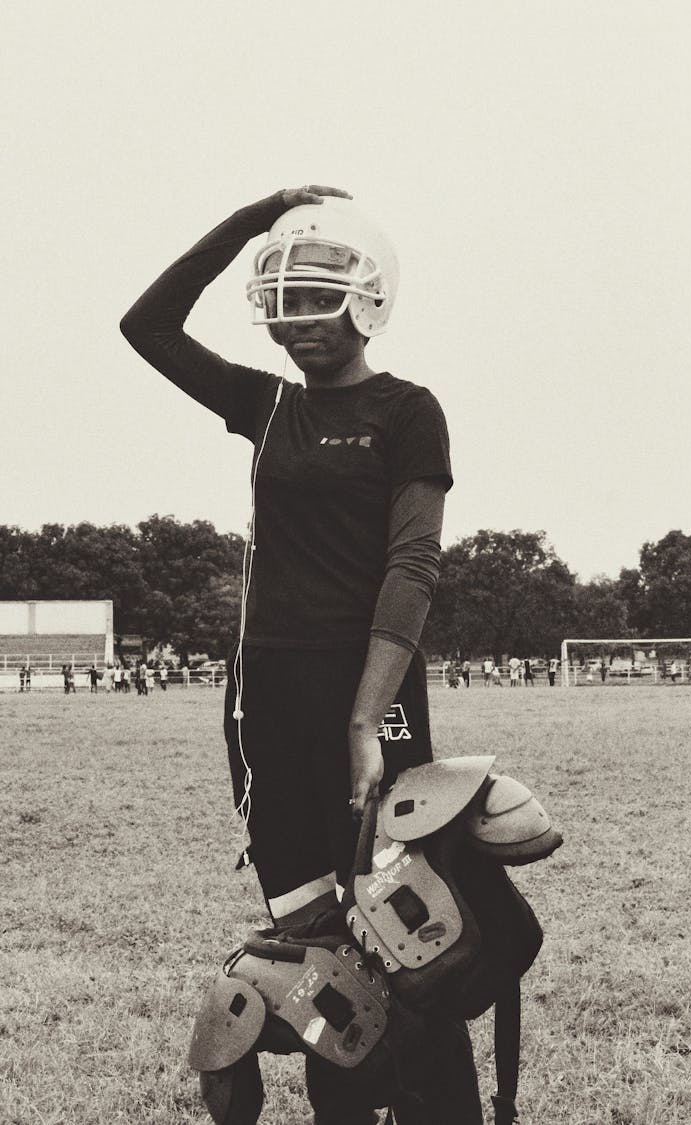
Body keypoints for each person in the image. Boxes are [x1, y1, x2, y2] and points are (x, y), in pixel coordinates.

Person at [121, 185, 482, 1124]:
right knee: (315, 947)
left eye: (321, 298)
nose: (300, 321)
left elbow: (415, 562)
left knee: (411, 936)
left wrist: (367, 715)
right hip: (266, 700)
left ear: (367, 300)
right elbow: (146, 323)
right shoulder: (266, 404)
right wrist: (257, 219)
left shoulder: (410, 410)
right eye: (284, 300)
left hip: (372, 689)